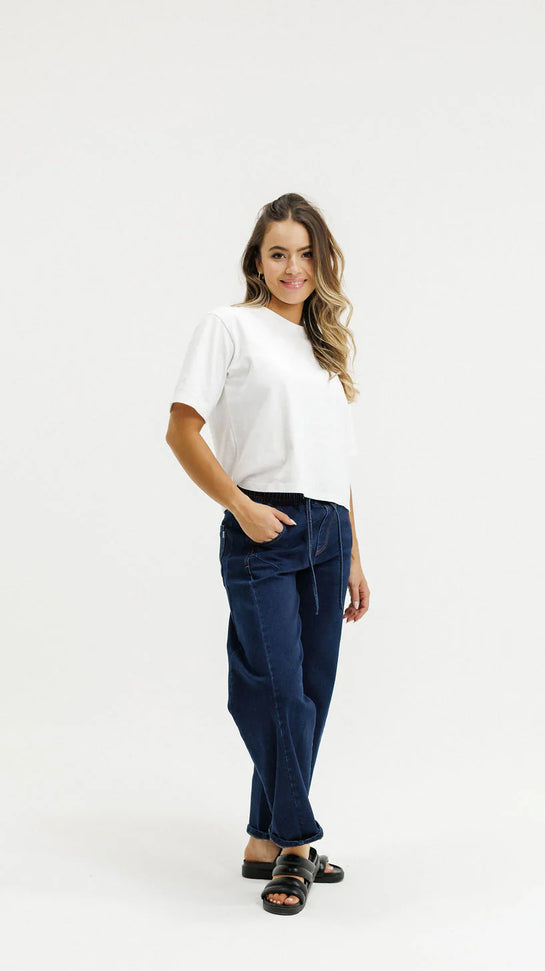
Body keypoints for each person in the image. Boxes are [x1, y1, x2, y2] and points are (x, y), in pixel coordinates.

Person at [165, 193, 370, 916]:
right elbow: (182, 429)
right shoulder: (229, 327)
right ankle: (297, 842)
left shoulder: (323, 348)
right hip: (266, 527)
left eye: (306, 254)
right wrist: (240, 506)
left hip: (328, 532)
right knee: (272, 690)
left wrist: (354, 553)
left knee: (309, 694)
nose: (293, 268)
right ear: (257, 259)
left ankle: (263, 839)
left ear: (323, 262)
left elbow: (335, 462)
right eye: (279, 253)